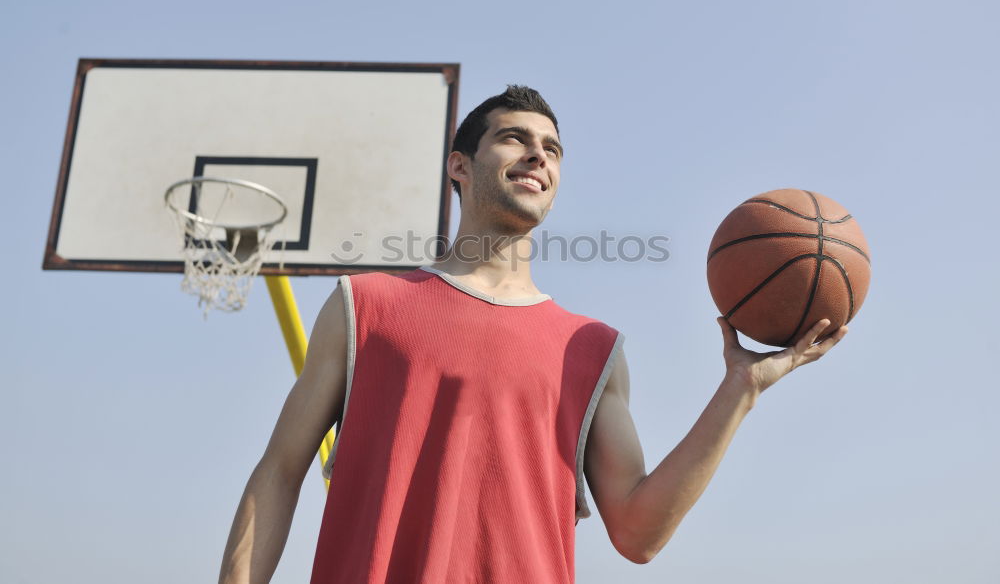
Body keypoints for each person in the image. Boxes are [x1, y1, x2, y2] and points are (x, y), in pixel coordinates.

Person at [218, 86, 848, 583]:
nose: (538, 155)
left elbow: (638, 534)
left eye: (551, 148)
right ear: (459, 166)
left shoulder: (594, 348)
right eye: (514, 139)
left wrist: (741, 387)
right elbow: (278, 473)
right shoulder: (366, 304)